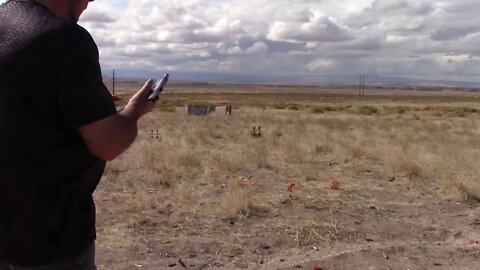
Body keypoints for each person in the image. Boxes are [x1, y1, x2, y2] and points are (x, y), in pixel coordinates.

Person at [0, 0, 157, 269]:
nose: (87, 4)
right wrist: (133, 111)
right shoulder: (63, 39)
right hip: (48, 239)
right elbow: (108, 142)